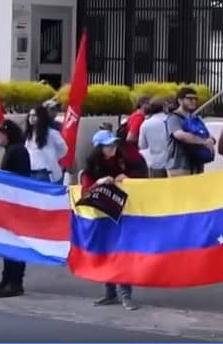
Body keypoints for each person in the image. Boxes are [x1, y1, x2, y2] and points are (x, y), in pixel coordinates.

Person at [83, 129, 143, 311]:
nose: (113, 148)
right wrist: (99, 183)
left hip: (122, 214)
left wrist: (127, 178)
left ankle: (125, 296)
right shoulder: (91, 166)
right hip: (101, 215)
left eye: (113, 144)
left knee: (122, 253)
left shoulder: (123, 158)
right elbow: (85, 191)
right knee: (106, 252)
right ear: (99, 148)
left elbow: (141, 175)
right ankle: (110, 293)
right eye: (108, 145)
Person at [0, 120, 31, 298]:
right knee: (7, 244)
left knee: (15, 244)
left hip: (16, 204)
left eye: (0, 134)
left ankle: (16, 282)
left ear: (8, 134)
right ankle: (6, 279)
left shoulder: (17, 151)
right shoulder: (10, 150)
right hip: (9, 203)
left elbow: (19, 178)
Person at [165, 87, 215, 176]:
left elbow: (209, 135)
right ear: (180, 100)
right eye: (190, 99)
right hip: (180, 166)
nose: (193, 101)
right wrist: (203, 142)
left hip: (197, 165)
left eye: (195, 99)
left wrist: (211, 139)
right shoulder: (174, 118)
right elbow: (180, 135)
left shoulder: (196, 118)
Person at [24, 105, 68, 183]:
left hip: (45, 171)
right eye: (30, 115)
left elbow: (63, 149)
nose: (31, 118)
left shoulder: (51, 133)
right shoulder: (28, 135)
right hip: (31, 171)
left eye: (34, 115)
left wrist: (54, 156)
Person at [138, 97, 170, 178]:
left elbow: (142, 145)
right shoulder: (171, 120)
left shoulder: (146, 123)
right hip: (173, 162)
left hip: (156, 162)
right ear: (164, 107)